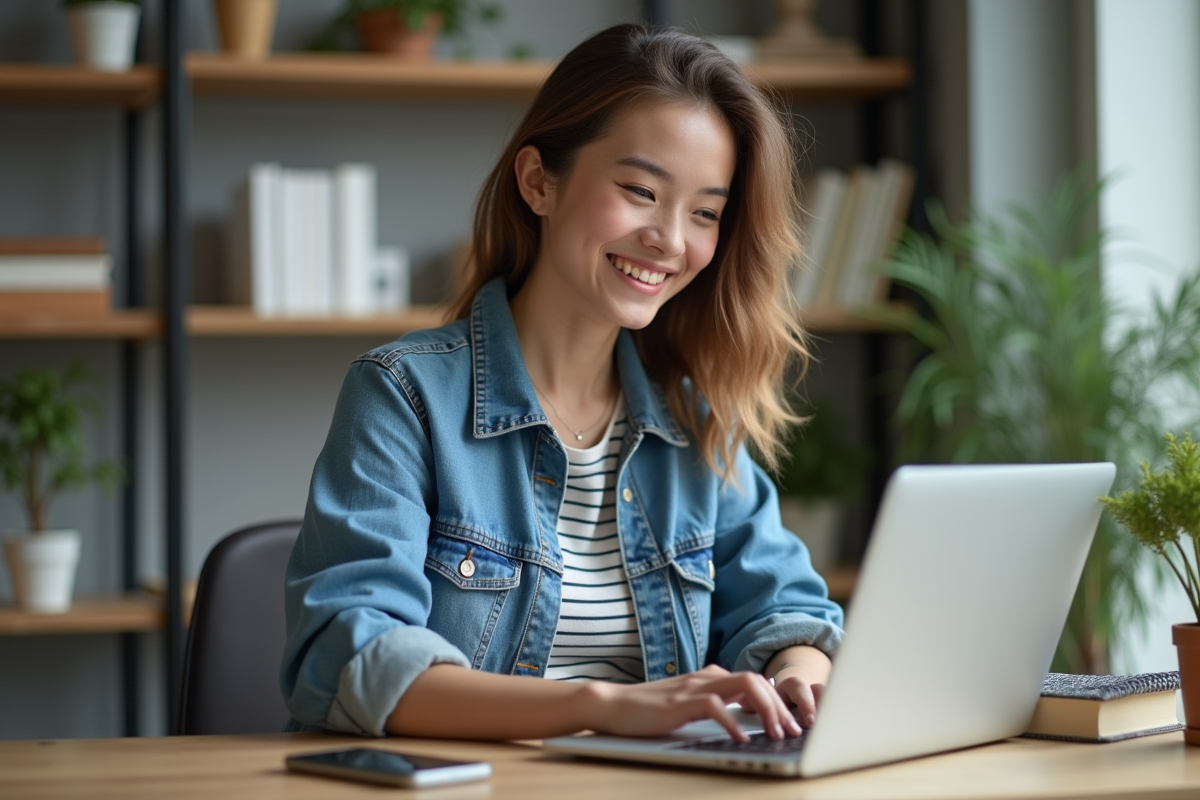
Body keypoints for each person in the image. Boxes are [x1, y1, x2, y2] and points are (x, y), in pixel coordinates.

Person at [280, 23, 844, 743]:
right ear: (538, 182)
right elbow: (353, 660)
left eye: (705, 212)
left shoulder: (691, 419)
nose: (671, 240)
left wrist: (798, 679)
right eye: (640, 190)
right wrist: (600, 707)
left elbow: (790, 614)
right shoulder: (404, 395)